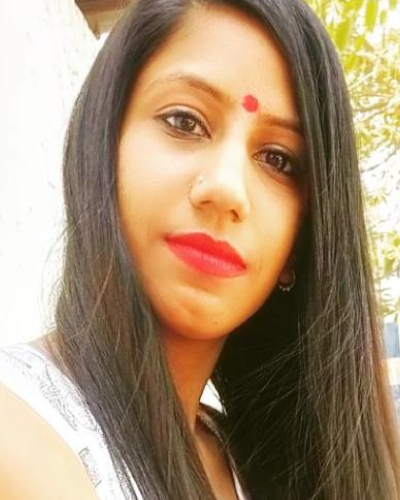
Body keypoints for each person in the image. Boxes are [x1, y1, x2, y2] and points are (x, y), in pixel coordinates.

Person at [0, 0, 399, 499]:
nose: (227, 188)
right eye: (185, 121)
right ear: (102, 148)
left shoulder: (262, 461)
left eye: (278, 159)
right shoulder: (17, 436)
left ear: (301, 243)